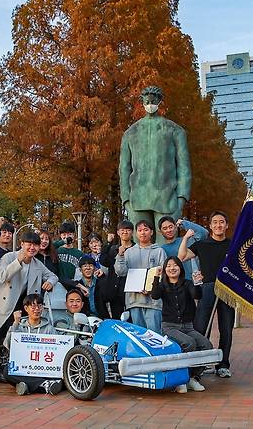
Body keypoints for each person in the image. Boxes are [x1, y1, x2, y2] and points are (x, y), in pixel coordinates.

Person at [0, 231, 58, 387]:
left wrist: (51, 282)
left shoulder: (37, 264)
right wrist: (18, 261)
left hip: (20, 307)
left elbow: (53, 276)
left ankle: (2, 370)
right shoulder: (9, 257)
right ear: (22, 244)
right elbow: (3, 276)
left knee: (11, 339)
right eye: (29, 244)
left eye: (35, 245)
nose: (32, 248)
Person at [119, 86, 191, 231]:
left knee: (165, 248)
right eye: (147, 100)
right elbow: (124, 169)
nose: (150, 103)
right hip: (137, 199)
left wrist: (181, 199)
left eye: (153, 100)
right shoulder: (130, 133)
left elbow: (184, 168)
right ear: (142, 102)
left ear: (159, 101)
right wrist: (126, 200)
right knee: (140, 248)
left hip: (167, 198)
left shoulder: (175, 130)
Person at [178, 210, 234, 378]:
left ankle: (223, 365)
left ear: (227, 225)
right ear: (210, 226)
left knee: (226, 328)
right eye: (215, 222)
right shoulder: (202, 244)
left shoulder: (233, 245)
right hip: (208, 288)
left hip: (228, 290)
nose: (218, 225)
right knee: (200, 327)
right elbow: (181, 256)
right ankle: (199, 366)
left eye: (222, 222)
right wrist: (186, 238)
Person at [150, 256, 211, 393]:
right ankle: (182, 379)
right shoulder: (162, 285)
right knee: (189, 343)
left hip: (188, 326)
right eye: (169, 266)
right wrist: (156, 277)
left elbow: (197, 295)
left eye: (175, 265)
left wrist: (197, 283)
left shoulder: (188, 283)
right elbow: (154, 295)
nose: (172, 268)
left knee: (206, 345)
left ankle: (193, 377)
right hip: (169, 326)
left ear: (180, 268)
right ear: (165, 270)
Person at [3, 294, 64, 396]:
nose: (37, 309)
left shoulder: (49, 328)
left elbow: (57, 350)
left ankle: (26, 386)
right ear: (26, 308)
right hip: (24, 367)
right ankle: (45, 385)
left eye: (40, 306)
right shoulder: (20, 326)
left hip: (44, 368)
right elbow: (8, 345)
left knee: (60, 375)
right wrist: (16, 322)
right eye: (33, 306)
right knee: (6, 371)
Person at [114, 220, 167, 333]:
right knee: (139, 336)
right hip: (134, 300)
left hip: (153, 302)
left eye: (146, 230)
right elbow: (120, 272)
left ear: (151, 232)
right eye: (140, 230)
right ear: (136, 233)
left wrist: (152, 289)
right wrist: (120, 256)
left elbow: (164, 274)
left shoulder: (159, 251)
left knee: (155, 335)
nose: (143, 233)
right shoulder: (128, 252)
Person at [100, 220, 134, 319]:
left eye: (128, 230)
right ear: (118, 233)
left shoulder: (136, 249)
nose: (125, 232)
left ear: (132, 232)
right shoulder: (112, 249)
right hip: (114, 292)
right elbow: (103, 260)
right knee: (117, 320)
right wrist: (108, 242)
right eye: (122, 230)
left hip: (130, 292)